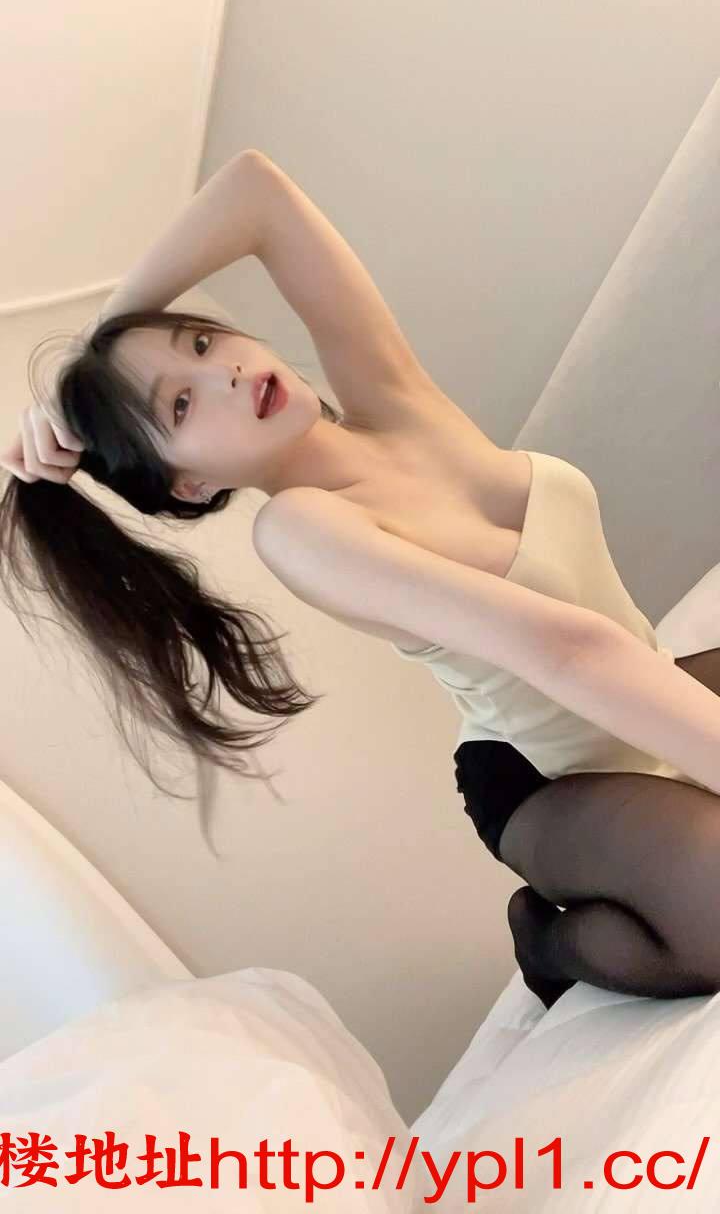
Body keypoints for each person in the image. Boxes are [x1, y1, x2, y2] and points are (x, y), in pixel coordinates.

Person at [2, 148, 720, 1009]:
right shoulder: (304, 529)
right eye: (180, 405)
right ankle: (548, 939)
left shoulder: (393, 400)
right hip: (546, 777)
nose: (223, 370)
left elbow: (255, 192)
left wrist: (93, 364)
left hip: (642, 684)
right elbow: (563, 649)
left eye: (201, 341)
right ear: (188, 486)